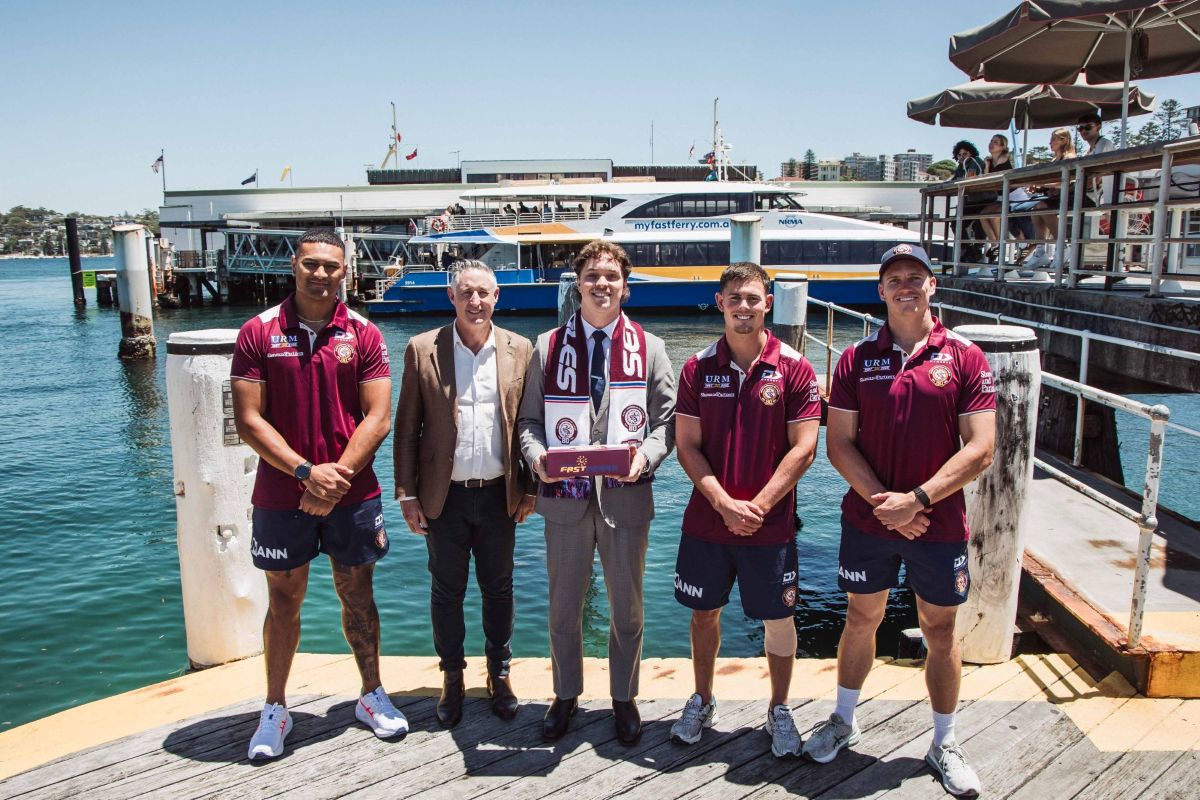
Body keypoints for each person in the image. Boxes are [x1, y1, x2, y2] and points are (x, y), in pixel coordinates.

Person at [805, 244, 996, 798]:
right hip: (870, 519)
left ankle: (945, 741)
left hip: (935, 522)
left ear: (932, 286)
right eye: (894, 279)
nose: (905, 286)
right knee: (861, 618)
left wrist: (916, 500)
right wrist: (883, 504)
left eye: (916, 276)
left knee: (940, 631)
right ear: (881, 291)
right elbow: (839, 443)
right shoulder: (855, 360)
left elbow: (980, 448)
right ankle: (843, 719)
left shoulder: (964, 356)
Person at [230, 227, 408, 760]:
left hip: (352, 493)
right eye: (311, 264)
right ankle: (275, 708)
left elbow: (378, 416)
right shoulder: (257, 332)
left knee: (358, 594)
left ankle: (371, 694)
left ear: (345, 270)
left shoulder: (364, 333)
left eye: (332, 265)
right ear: (294, 265)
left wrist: (336, 480)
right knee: (284, 600)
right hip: (283, 494)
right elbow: (248, 420)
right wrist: (308, 473)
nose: (321, 274)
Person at [518, 240, 675, 745]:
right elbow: (529, 422)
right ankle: (565, 695)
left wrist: (644, 457)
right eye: (592, 276)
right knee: (563, 606)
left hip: (626, 501)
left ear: (624, 285)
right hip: (565, 501)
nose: (602, 285)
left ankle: (623, 697)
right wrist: (537, 458)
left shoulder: (650, 348)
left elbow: (667, 424)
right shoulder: (547, 346)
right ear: (578, 284)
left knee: (626, 606)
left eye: (611, 276)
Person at [668, 263, 822, 757]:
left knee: (779, 619)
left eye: (753, 298)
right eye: (734, 297)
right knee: (703, 614)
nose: (744, 306)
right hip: (708, 523)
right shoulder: (696, 367)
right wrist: (723, 503)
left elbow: (804, 448)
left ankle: (779, 707)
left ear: (768, 304)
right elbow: (687, 446)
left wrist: (757, 506)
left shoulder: (795, 367)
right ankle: (703, 697)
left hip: (770, 525)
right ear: (720, 303)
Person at [394, 261, 536, 728]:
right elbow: (406, 431)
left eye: (484, 293)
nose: (476, 302)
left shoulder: (521, 349)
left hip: (500, 493)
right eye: (466, 293)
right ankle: (452, 678)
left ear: (498, 297)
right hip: (445, 495)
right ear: (451, 298)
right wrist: (406, 496)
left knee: (500, 589)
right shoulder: (422, 349)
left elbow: (529, 426)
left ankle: (499, 672)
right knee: (446, 590)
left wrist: (530, 489)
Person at [1019, 128, 1078, 269]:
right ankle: (1040, 250)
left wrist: (1042, 184)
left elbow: (1066, 181)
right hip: (1055, 195)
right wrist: (1039, 188)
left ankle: (1062, 247)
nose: (1050, 142)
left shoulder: (1069, 157)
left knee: (1042, 206)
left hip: (1069, 194)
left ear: (1064, 140)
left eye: (1054, 139)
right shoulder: (1054, 159)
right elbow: (1052, 183)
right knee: (1036, 207)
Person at [951, 141, 988, 264]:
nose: (962, 157)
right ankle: (968, 248)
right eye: (959, 155)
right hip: (970, 201)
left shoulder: (974, 161)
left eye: (964, 154)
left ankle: (975, 249)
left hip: (983, 200)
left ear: (970, 152)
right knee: (956, 222)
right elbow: (955, 180)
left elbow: (971, 177)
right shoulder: (960, 166)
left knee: (979, 222)